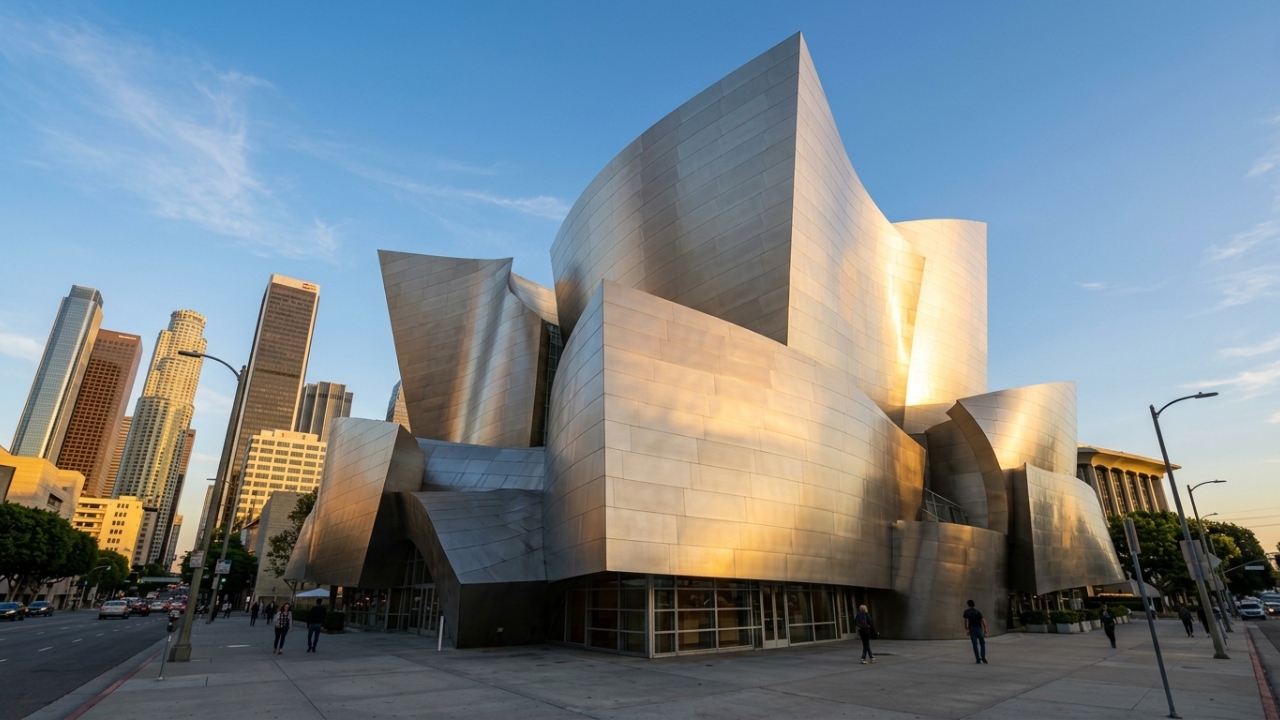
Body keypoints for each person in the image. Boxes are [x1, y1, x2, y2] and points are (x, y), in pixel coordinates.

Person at [963, 600, 988, 664]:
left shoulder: (966, 612)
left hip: (971, 629)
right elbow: (983, 620)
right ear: (974, 604)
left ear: (968, 604)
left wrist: (967, 629)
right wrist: (985, 629)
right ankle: (983, 658)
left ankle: (978, 659)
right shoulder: (977, 612)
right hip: (979, 628)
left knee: (975, 645)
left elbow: (965, 622)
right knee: (982, 643)